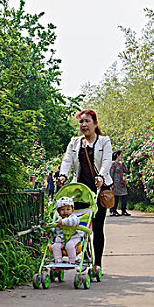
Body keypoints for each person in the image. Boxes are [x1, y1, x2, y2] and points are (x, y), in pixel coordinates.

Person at [58, 109, 113, 270]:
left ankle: (97, 264)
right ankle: (82, 258)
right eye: (81, 122)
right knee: (79, 226)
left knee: (97, 227)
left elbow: (107, 160)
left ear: (95, 124)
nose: (84, 125)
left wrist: (101, 176)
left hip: (99, 190)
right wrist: (63, 175)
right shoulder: (75, 142)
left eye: (87, 121)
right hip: (80, 191)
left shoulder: (104, 141)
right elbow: (67, 160)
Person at [51, 196, 81, 264]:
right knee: (55, 246)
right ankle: (58, 261)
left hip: (73, 237)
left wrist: (63, 222)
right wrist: (50, 227)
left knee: (69, 245)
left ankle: (72, 261)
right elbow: (55, 230)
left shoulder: (73, 217)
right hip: (61, 239)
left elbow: (75, 222)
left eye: (68, 209)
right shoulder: (59, 220)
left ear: (72, 210)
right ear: (58, 212)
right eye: (62, 210)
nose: (65, 212)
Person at [109, 150, 130, 217]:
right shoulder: (113, 163)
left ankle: (123, 210)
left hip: (121, 182)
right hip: (115, 183)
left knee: (125, 195)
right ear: (117, 155)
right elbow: (111, 173)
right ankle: (113, 210)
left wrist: (123, 163)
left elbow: (125, 171)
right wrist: (111, 183)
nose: (122, 156)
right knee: (116, 197)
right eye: (121, 155)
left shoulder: (120, 164)